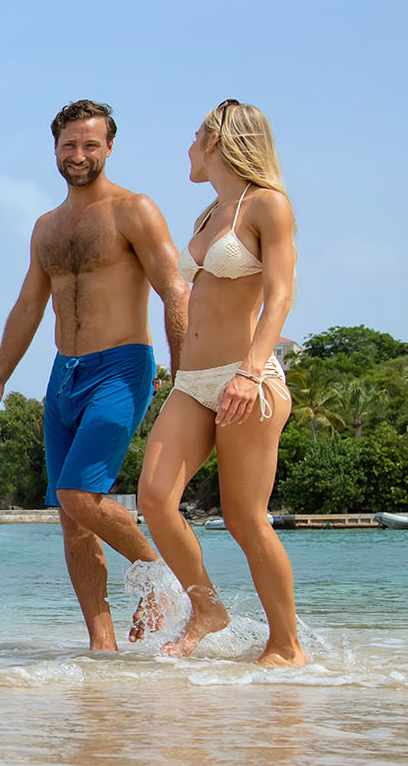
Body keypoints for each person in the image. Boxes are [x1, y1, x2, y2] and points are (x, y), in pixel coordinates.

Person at [0, 100, 189, 651]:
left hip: (122, 366)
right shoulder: (46, 227)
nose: (79, 155)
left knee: (78, 492)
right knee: (71, 518)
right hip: (62, 376)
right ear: (54, 149)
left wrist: (184, 374)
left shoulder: (133, 210)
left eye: (90, 144)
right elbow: (28, 307)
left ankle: (157, 579)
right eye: (69, 145)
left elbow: (175, 290)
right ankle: (102, 645)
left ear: (109, 148)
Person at [134, 99, 306, 667]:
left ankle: (287, 646)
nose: (186, 148)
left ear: (217, 141)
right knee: (155, 499)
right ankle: (206, 607)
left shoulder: (268, 207)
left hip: (246, 379)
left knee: (244, 518)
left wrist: (250, 373)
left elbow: (280, 295)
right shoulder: (208, 215)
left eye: (193, 137)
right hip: (193, 381)